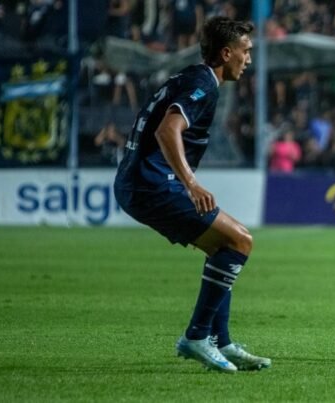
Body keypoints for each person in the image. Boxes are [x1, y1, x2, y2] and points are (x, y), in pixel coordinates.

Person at [113, 16, 271, 373]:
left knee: (224, 246)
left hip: (140, 182)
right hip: (151, 185)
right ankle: (197, 336)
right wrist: (191, 183)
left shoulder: (192, 76)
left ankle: (221, 341)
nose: (249, 59)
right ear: (226, 53)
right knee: (240, 241)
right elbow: (168, 130)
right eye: (245, 51)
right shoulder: (203, 84)